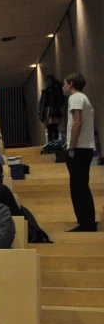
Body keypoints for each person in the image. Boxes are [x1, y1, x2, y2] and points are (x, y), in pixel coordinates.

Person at [63, 72, 97, 232]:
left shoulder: (75, 98)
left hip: (78, 148)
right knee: (82, 185)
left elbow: (77, 123)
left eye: (65, 83)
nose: (63, 86)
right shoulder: (85, 99)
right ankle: (88, 220)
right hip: (86, 148)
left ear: (71, 84)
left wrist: (71, 146)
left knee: (78, 187)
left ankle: (86, 224)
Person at [39, 75, 65, 144]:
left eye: (49, 80)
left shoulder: (55, 88)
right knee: (50, 127)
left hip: (53, 108)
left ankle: (54, 141)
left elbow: (60, 100)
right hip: (49, 109)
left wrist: (57, 106)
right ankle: (51, 142)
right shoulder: (47, 89)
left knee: (54, 126)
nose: (48, 82)